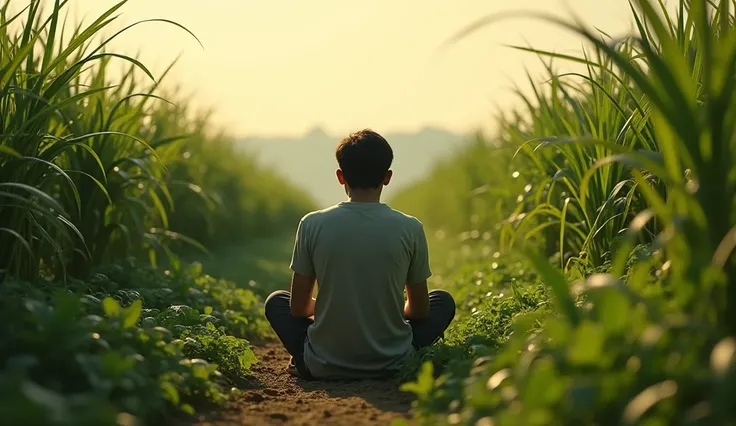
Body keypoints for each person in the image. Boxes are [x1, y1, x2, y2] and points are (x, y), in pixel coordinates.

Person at [264, 129, 456, 380]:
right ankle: (406, 356)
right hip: (394, 363)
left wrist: (331, 311)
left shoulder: (311, 224)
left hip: (323, 364)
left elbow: (298, 309)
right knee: (442, 301)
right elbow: (420, 311)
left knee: (276, 302)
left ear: (340, 176)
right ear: (387, 177)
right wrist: (385, 311)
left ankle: (306, 358)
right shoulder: (410, 227)